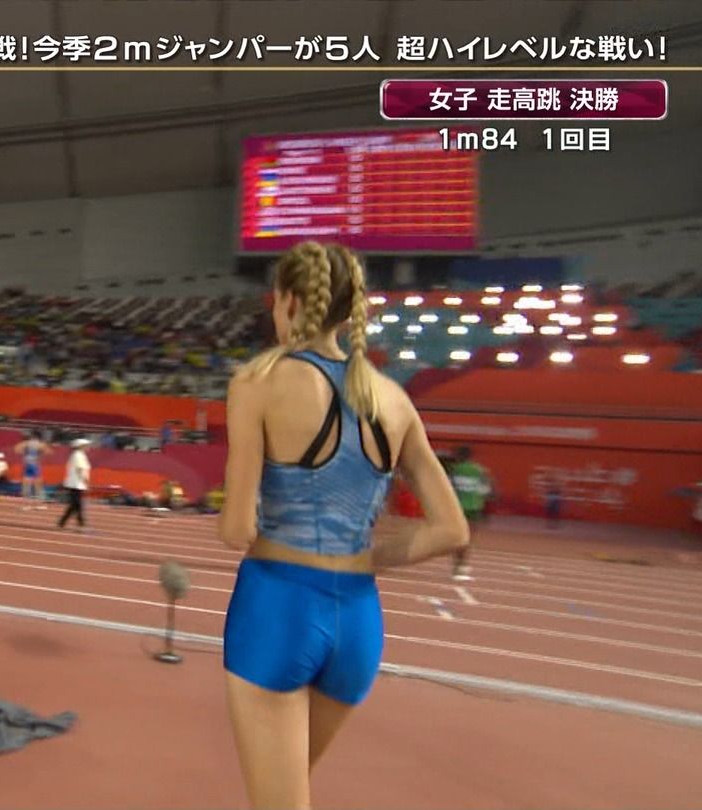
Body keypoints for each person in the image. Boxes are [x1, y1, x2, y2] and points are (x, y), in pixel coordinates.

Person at [217, 242, 468, 810]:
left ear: (287, 301)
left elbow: (236, 529)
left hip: (278, 609)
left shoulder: (258, 381)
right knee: (286, 793)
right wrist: (364, 559)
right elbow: (452, 529)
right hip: (358, 623)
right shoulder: (394, 400)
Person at [447, 446, 492, 581]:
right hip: (475, 507)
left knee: (458, 537)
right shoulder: (479, 470)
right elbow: (486, 490)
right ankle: (462, 564)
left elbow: (448, 487)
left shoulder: (454, 470)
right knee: (468, 538)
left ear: (459, 456)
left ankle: (458, 565)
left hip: (457, 507)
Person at [57, 438, 92, 531]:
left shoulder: (80, 455)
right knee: (77, 504)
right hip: (75, 483)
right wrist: (86, 481)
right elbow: (80, 469)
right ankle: (81, 524)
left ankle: (62, 522)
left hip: (77, 483)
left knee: (74, 505)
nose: (88, 447)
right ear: (81, 446)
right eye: (86, 445)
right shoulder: (78, 455)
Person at [13, 431, 51, 510]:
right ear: (38, 437)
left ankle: (26, 505)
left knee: (26, 486)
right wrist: (40, 454)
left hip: (28, 465)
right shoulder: (39, 444)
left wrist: (24, 453)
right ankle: (39, 505)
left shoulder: (26, 443)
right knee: (38, 486)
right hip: (35, 466)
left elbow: (16, 449)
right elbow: (49, 452)